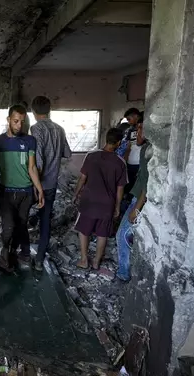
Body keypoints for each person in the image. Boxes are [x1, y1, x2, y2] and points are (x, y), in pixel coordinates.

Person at [0, 104, 45, 272]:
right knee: (8, 227)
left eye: (22, 122)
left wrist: (39, 189)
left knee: (21, 224)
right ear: (8, 120)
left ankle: (18, 253)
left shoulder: (30, 141)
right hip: (6, 192)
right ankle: (5, 252)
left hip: (26, 193)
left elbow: (32, 168)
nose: (19, 125)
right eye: (15, 121)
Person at [74, 128, 127, 271]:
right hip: (106, 204)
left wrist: (75, 194)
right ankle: (96, 262)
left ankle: (84, 260)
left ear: (106, 139)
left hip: (88, 201)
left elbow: (82, 178)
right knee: (102, 233)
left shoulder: (91, 156)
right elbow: (120, 188)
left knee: (84, 230)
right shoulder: (120, 162)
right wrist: (117, 206)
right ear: (118, 143)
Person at [30, 96, 72, 270]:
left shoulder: (36, 129)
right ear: (49, 109)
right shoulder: (59, 129)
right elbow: (68, 153)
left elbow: (38, 162)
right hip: (52, 184)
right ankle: (39, 260)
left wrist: (35, 185)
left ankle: (21, 254)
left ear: (33, 111)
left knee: (21, 215)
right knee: (45, 220)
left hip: (37, 184)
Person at [116, 139, 151, 282]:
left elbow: (147, 184)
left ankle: (124, 273)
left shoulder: (151, 151)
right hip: (137, 198)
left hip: (139, 201)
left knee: (122, 235)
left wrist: (136, 209)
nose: (138, 133)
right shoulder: (145, 149)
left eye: (141, 128)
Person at [122, 108, 145, 195]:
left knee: (137, 187)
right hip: (130, 163)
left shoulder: (143, 128)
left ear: (136, 116)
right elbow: (128, 146)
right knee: (129, 185)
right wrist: (125, 160)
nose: (128, 122)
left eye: (129, 119)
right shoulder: (130, 130)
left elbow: (139, 143)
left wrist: (140, 126)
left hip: (140, 163)